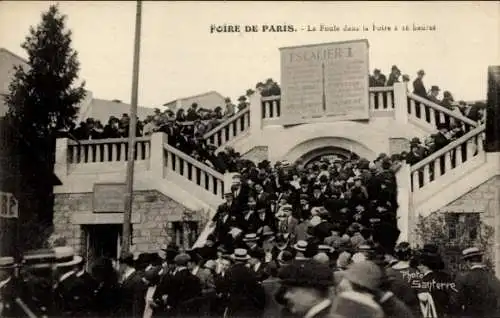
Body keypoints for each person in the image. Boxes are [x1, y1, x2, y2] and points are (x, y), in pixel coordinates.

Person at [453, 247, 500, 317]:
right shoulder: (494, 279)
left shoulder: (463, 278)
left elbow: (456, 304)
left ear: (468, 262)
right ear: (481, 260)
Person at [117, 252, 147, 318]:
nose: (118, 267)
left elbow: (138, 304)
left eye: (120, 264)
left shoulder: (136, 280)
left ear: (125, 265)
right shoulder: (127, 278)